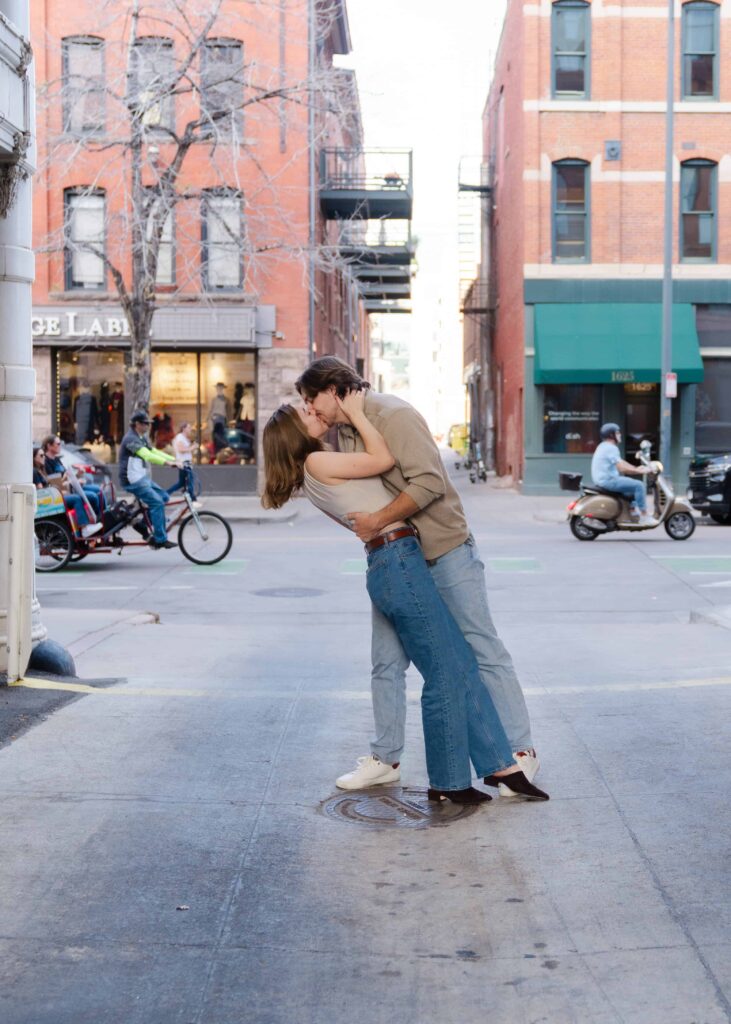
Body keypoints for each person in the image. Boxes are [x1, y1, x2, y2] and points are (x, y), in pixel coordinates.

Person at [262, 394, 548, 804]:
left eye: (310, 403)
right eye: (302, 411)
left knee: (452, 663)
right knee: (446, 669)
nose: (310, 409)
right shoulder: (317, 462)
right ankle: (450, 783)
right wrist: (359, 413)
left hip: (390, 559)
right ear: (293, 433)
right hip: (399, 560)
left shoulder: (315, 472)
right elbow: (381, 460)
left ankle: (496, 767)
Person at [118, 410, 178, 549]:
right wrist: (169, 464)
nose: (148, 426)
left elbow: (153, 451)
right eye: (145, 424)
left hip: (140, 477)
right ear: (137, 424)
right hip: (131, 480)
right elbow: (147, 455)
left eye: (148, 423)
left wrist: (174, 460)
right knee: (157, 503)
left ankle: (143, 526)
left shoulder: (141, 437)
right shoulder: (130, 439)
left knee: (163, 497)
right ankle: (160, 539)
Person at [591, 423, 655, 526]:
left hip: (604, 480)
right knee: (639, 485)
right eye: (618, 433)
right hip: (608, 480)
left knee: (630, 484)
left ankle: (632, 511)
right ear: (611, 435)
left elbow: (621, 462)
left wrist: (636, 468)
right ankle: (644, 515)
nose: (620, 435)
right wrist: (639, 471)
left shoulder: (604, 446)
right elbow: (621, 468)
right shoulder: (611, 448)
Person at [33, 445, 102, 538]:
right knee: (76, 499)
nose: (44, 457)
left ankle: (91, 523)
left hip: (52, 497)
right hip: (47, 501)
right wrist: (58, 492)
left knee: (85, 495)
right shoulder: (35, 472)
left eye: (44, 455)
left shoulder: (42, 469)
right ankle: (84, 528)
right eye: (41, 456)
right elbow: (41, 490)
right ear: (34, 458)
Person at [42, 434, 103, 520]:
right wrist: (71, 480)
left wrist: (78, 474)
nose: (60, 446)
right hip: (65, 491)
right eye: (58, 444)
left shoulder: (56, 459)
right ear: (49, 446)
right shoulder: (46, 462)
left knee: (98, 489)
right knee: (93, 496)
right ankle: (97, 519)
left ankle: (104, 517)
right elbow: (55, 483)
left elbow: (65, 475)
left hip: (71, 487)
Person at [166, 422, 199, 503]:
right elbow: (181, 450)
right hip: (184, 463)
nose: (190, 429)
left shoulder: (183, 438)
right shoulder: (180, 437)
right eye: (189, 427)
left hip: (185, 462)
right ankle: (192, 499)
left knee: (182, 483)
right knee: (190, 481)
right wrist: (193, 447)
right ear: (184, 429)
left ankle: (165, 493)